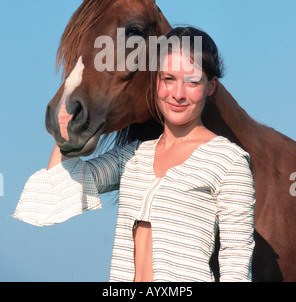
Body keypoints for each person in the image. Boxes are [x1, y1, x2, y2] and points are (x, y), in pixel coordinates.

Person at [14, 27, 255, 282]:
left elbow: (236, 262)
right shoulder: (132, 156)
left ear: (211, 86)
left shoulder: (230, 161)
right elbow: (62, 182)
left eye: (192, 81)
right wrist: (74, 91)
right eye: (168, 79)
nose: (178, 94)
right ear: (155, 81)